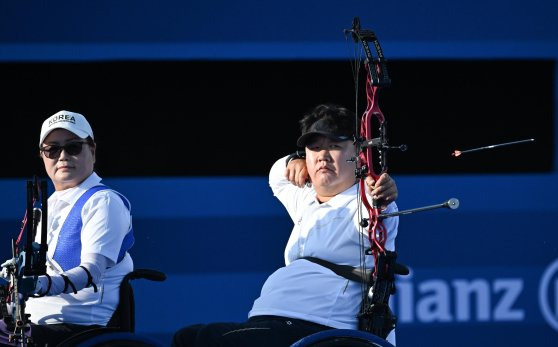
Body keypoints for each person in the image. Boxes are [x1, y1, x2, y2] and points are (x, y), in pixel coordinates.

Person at [172, 103, 399, 347]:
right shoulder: (305, 199)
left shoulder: (364, 201)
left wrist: (381, 192)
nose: (322, 155)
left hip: (318, 327)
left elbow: (381, 207)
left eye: (334, 146)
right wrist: (294, 159)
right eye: (315, 148)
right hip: (276, 323)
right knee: (189, 338)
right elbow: (276, 175)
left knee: (194, 341)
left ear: (359, 153)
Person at [0, 110, 135, 346]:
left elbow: (92, 271)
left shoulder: (104, 201)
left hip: (77, 328)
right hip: (35, 323)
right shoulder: (48, 205)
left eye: (73, 147)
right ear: (43, 156)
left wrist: (43, 285)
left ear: (92, 151)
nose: (62, 156)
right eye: (52, 149)